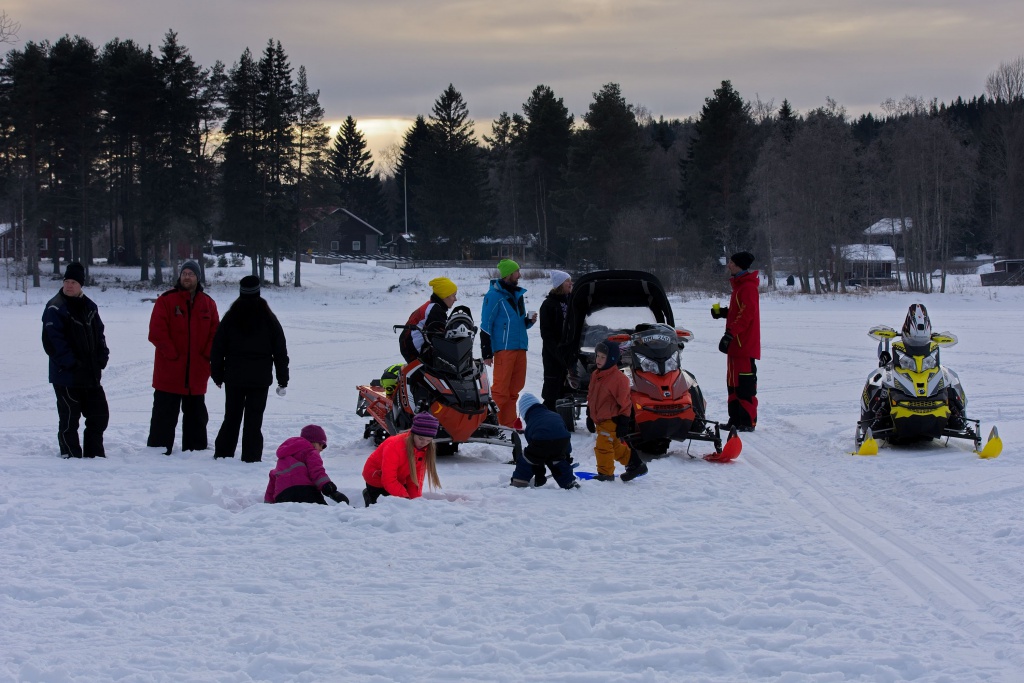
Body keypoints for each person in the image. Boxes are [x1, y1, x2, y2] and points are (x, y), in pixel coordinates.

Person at [211, 275, 289, 462]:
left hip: (234, 377)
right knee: (254, 420)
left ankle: (223, 453)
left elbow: (217, 347)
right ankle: (251, 457)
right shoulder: (269, 318)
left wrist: (217, 374)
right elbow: (280, 350)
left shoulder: (231, 317)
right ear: (258, 291)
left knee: (231, 417)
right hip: (259, 379)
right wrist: (282, 379)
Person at [146, 260, 220, 454]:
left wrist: (206, 355)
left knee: (196, 415)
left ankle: (195, 449)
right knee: (164, 413)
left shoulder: (208, 304)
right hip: (169, 371)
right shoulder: (166, 300)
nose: (187, 277)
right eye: (184, 273)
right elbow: (156, 332)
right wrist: (172, 354)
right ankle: (158, 449)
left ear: (198, 277)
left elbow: (216, 333)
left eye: (191, 274)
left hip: (196, 371)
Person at [41, 262, 110, 458]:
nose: (69, 285)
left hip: (90, 373)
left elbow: (100, 334)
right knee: (70, 418)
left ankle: (94, 454)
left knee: (99, 415)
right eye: (66, 282)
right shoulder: (55, 308)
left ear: (81, 285)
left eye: (73, 282)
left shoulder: (90, 307)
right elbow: (52, 342)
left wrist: (102, 356)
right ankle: (70, 455)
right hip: (66, 375)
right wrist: (71, 363)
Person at [480, 259, 536, 427]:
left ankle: (508, 424)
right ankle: (487, 423)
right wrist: (487, 353)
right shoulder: (493, 296)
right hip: (504, 349)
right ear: (508, 274)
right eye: (517, 271)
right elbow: (485, 325)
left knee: (515, 390)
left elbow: (516, 323)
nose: (520, 274)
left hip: (520, 347)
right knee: (501, 390)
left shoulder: (517, 295)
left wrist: (528, 321)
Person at [710, 251, 761, 432]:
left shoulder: (747, 287)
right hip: (735, 347)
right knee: (732, 384)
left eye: (731, 262)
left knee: (744, 385)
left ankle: (747, 422)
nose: (728, 265)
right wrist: (723, 313)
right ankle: (735, 420)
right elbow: (738, 311)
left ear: (739, 265)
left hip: (744, 346)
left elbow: (746, 315)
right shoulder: (739, 286)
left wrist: (730, 334)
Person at [587, 340, 647, 481]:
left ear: (612, 359)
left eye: (603, 357)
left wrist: (624, 422)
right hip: (600, 419)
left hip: (611, 420)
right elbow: (591, 396)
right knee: (614, 446)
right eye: (598, 356)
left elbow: (625, 403)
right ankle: (635, 464)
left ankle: (605, 474)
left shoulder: (619, 379)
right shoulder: (595, 374)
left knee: (603, 446)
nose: (598, 360)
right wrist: (589, 415)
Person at [362, 412, 442, 506]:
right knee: (383, 508)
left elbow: (415, 479)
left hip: (398, 478)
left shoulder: (425, 449)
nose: (424, 443)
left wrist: (415, 502)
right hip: (377, 478)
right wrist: (405, 499)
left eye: (428, 440)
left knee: (405, 502)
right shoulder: (394, 446)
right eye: (421, 438)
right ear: (413, 434)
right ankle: (369, 495)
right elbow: (388, 479)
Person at [264, 425, 349, 505]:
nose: (321, 449)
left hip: (282, 495)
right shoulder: (310, 452)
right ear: (313, 442)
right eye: (321, 445)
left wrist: (268, 505)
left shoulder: (282, 459)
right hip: (306, 490)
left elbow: (272, 480)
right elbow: (317, 471)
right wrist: (330, 489)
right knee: (322, 514)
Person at [510, 393, 578, 489]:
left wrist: (539, 474)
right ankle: (569, 482)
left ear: (524, 412)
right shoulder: (555, 415)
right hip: (561, 441)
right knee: (558, 461)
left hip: (541, 441)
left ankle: (519, 483)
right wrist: (566, 455)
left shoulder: (531, 423)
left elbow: (536, 454)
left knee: (526, 459)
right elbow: (565, 434)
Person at [399, 277, 458, 363]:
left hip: (409, 346)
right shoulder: (435, 311)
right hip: (413, 349)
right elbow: (440, 338)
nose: (455, 299)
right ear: (445, 296)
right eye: (453, 295)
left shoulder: (433, 307)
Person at [539, 270, 572, 410]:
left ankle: (564, 416)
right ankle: (548, 414)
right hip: (552, 353)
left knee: (567, 386)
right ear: (559, 284)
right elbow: (546, 334)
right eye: (567, 281)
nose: (571, 283)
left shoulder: (571, 302)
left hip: (568, 351)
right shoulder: (548, 305)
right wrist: (556, 352)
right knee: (552, 386)